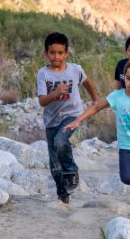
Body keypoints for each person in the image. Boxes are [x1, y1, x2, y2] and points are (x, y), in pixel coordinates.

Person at [64, 58, 130, 215]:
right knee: (126, 178)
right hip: (126, 147)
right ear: (124, 78)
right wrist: (77, 120)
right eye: (129, 78)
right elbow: (97, 107)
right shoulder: (117, 96)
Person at [37, 32, 98, 204]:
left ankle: (71, 171)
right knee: (55, 164)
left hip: (72, 115)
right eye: (52, 53)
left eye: (60, 53)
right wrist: (55, 93)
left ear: (66, 53)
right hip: (51, 120)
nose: (56, 56)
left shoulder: (75, 70)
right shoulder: (43, 74)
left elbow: (87, 82)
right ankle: (62, 193)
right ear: (46, 53)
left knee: (61, 141)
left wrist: (95, 99)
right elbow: (42, 101)